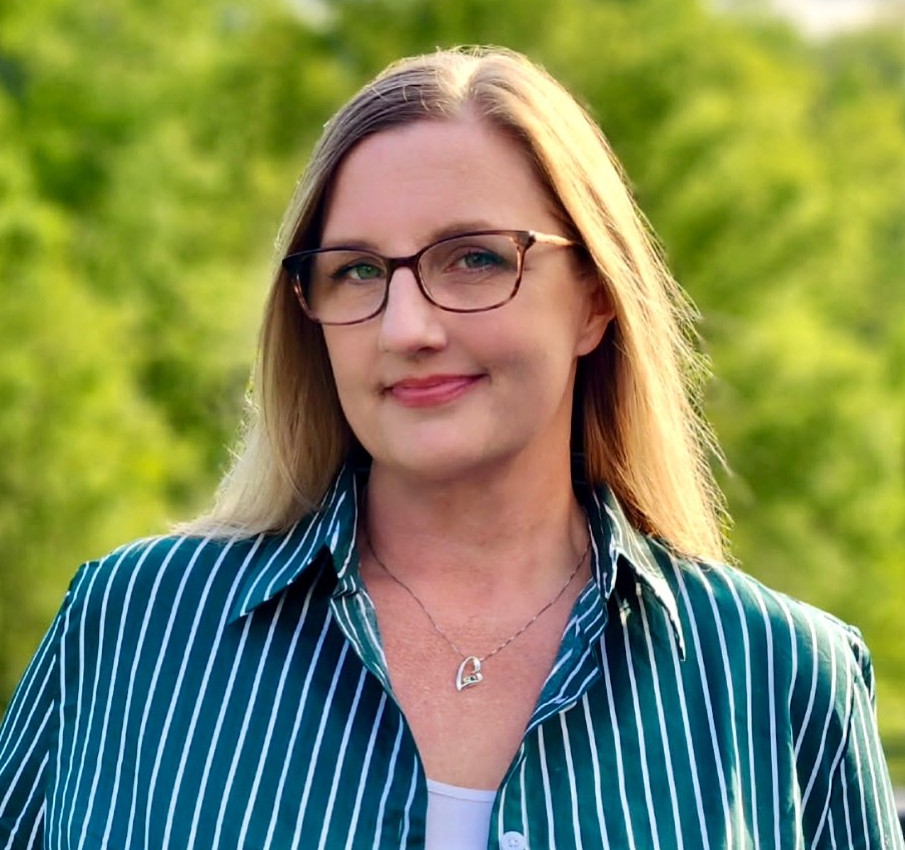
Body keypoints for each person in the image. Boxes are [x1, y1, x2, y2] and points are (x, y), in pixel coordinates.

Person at [0, 46, 901, 850]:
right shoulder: (132, 627)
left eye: (473, 258)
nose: (405, 328)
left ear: (594, 300)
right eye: (357, 270)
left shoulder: (778, 675)